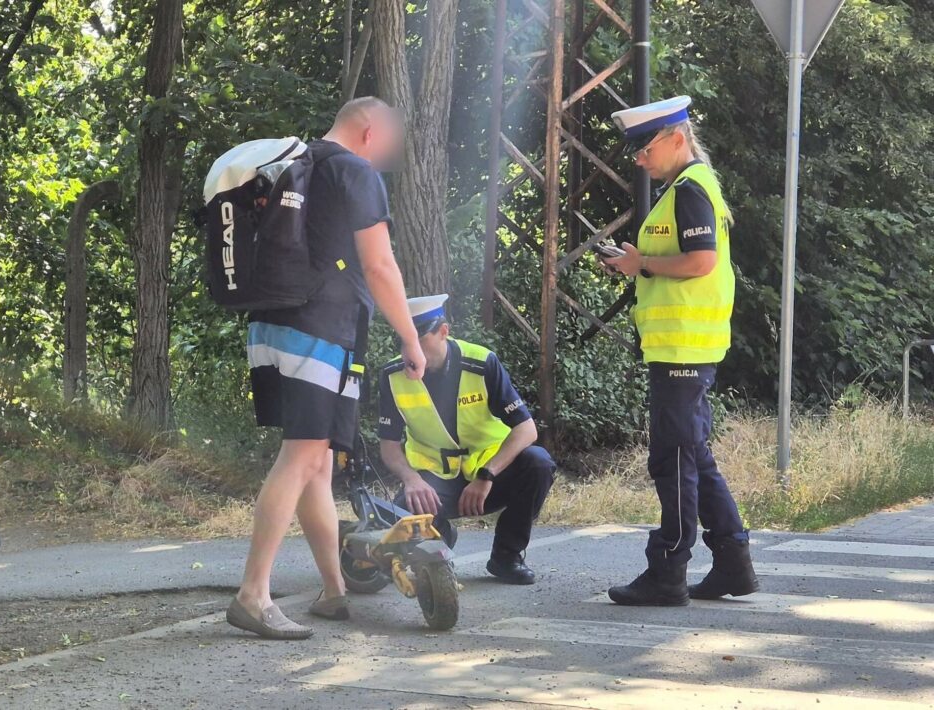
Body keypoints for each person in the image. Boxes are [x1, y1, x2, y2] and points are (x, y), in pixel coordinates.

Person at [227, 97, 425, 640]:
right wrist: (411, 337)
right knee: (301, 457)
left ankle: (334, 591)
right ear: (369, 129)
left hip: (270, 327)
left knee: (316, 462)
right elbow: (379, 264)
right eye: (387, 140)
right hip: (321, 329)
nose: (386, 153)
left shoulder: (297, 165)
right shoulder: (354, 172)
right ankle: (253, 596)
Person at [600, 95, 760, 606]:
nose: (638, 160)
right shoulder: (684, 188)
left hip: (685, 348)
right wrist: (638, 261)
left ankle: (668, 569)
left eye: (644, 149)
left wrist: (640, 264)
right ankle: (734, 563)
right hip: (683, 346)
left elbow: (700, 262)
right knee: (693, 455)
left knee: (672, 459)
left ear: (676, 138)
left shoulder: (690, 189)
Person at [375, 294, 556, 585]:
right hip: (431, 484)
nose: (412, 351)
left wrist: (487, 475)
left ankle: (506, 557)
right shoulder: (392, 374)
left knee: (538, 463)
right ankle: (441, 537)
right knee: (400, 526)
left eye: (420, 340)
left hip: (489, 478)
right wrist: (411, 479)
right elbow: (388, 445)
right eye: (405, 340)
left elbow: (527, 430)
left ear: (443, 331)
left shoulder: (482, 363)